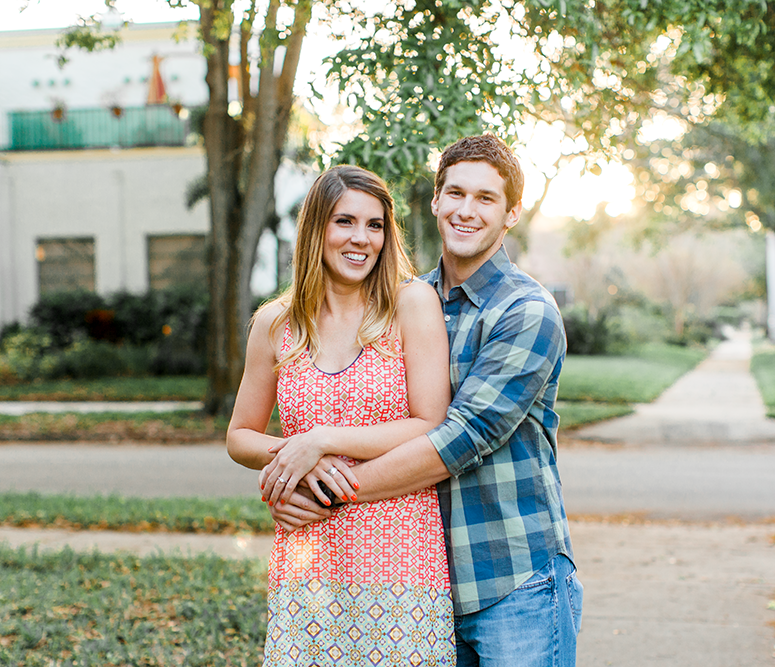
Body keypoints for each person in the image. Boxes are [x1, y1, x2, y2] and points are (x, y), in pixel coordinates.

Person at [263, 135, 583, 667]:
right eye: (455, 193)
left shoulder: (526, 312)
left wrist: (318, 495)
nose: (466, 210)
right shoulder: (402, 302)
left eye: (486, 198)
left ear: (511, 215)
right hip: (422, 582)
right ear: (434, 201)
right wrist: (287, 478)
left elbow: (458, 439)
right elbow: (348, 408)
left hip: (512, 578)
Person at [226, 165, 456, 666]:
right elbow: (240, 435)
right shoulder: (275, 323)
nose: (361, 238)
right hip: (306, 556)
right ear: (316, 230)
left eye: (375, 225)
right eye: (344, 221)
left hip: (400, 553)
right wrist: (295, 461)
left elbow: (430, 422)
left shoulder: (411, 303)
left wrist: (322, 440)